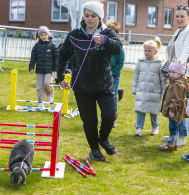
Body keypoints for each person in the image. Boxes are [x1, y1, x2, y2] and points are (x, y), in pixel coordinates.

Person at [57, 1, 122, 161]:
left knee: (110, 115)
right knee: (89, 121)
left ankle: (104, 139)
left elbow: (118, 48)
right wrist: (60, 77)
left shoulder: (107, 32)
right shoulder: (75, 35)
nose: (89, 19)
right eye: (87, 16)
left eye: (93, 16)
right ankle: (94, 149)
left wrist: (105, 41)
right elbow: (63, 55)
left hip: (104, 84)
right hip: (82, 86)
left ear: (99, 17)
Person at [163, 4, 189, 147]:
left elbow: (185, 53)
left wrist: (176, 73)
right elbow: (171, 52)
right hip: (174, 72)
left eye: (182, 16)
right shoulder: (178, 31)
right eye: (177, 16)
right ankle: (179, 135)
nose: (179, 18)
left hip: (184, 74)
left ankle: (180, 136)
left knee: (177, 104)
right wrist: (168, 72)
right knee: (177, 104)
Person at [132, 37, 165, 136]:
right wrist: (134, 88)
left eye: (149, 51)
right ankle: (139, 128)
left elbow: (163, 79)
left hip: (154, 92)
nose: (147, 52)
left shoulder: (159, 64)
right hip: (141, 91)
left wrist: (164, 91)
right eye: (145, 50)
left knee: (154, 111)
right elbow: (136, 76)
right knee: (140, 110)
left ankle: (155, 126)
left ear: (155, 51)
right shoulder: (140, 62)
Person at [159, 61, 189, 151]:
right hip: (179, 108)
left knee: (173, 127)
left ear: (180, 73)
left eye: (173, 72)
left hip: (175, 109)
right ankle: (174, 143)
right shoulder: (181, 80)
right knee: (175, 126)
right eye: (170, 72)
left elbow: (175, 99)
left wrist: (172, 110)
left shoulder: (177, 84)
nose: (171, 74)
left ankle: (170, 145)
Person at [29, 26, 59, 108]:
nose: (43, 36)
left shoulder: (53, 45)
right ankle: (41, 102)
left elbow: (57, 58)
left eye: (45, 34)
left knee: (46, 83)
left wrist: (55, 69)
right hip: (39, 70)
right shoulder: (36, 46)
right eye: (41, 35)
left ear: (48, 35)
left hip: (49, 70)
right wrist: (31, 66)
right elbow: (33, 57)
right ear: (39, 36)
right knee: (40, 86)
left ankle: (50, 94)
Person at [106, 21, 125, 127]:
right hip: (104, 75)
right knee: (103, 96)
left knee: (112, 97)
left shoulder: (119, 47)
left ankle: (113, 118)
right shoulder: (105, 44)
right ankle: (105, 116)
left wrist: (111, 72)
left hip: (114, 75)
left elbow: (120, 62)